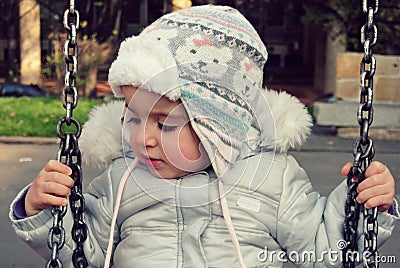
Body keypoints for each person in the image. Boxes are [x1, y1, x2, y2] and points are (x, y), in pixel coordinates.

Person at [9, 5, 398, 268]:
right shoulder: (122, 180)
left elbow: (323, 249)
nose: (143, 139)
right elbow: (84, 246)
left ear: (219, 121)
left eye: (165, 123)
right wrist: (42, 209)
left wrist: (363, 206)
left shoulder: (274, 181)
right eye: (135, 118)